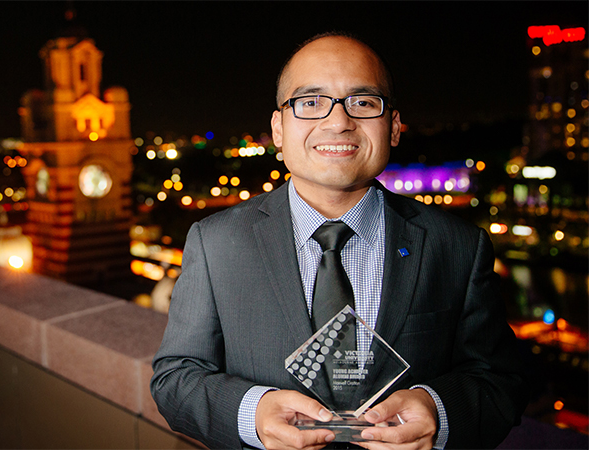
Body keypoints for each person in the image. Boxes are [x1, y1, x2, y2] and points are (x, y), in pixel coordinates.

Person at [150, 32, 527, 450]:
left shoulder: (456, 246)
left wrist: (439, 410)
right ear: (278, 128)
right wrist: (252, 412)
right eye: (310, 102)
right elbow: (175, 379)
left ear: (395, 127)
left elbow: (501, 381)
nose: (338, 121)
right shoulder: (215, 242)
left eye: (363, 103)